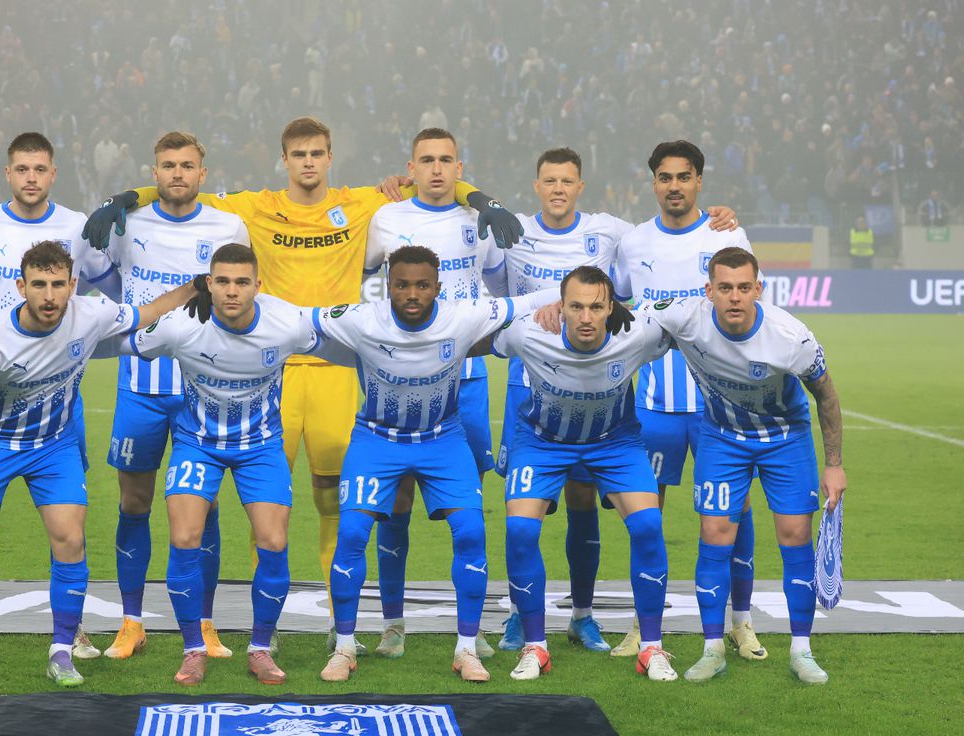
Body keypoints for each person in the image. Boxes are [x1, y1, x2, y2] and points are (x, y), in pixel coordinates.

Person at [84, 116, 523, 647]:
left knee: (336, 497)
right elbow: (182, 184)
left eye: (317, 153)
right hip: (272, 367)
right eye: (299, 154)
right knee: (262, 500)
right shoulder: (253, 206)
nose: (308, 162)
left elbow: (442, 180)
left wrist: (488, 201)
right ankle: (258, 621)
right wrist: (130, 195)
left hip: (335, 368)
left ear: (329, 157)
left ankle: (343, 626)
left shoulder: (365, 203)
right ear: (285, 159)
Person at [0, 241, 193, 687]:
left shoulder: (90, 312)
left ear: (72, 285)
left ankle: (62, 651)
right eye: (39, 285)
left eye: (57, 285)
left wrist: (193, 289)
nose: (49, 297)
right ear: (21, 286)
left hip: (54, 446)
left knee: (70, 539)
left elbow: (144, 314)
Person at [312, 245, 561, 684]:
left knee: (471, 531)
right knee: (351, 531)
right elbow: (297, 321)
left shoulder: (461, 316)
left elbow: (524, 302)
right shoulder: (361, 319)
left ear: (437, 288)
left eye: (422, 286)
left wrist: (568, 297)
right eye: (403, 285)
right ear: (387, 285)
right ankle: (346, 646)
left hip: (442, 439)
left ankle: (466, 649)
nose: (412, 294)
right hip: (376, 439)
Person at [113, 244, 341, 686]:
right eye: (222, 281)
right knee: (184, 536)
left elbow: (345, 346)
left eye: (241, 282)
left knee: (273, 541)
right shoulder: (181, 326)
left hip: (261, 446)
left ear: (258, 285)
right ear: (209, 284)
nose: (231, 291)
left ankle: (260, 648)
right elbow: (125, 343)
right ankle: (193, 649)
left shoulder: (285, 322)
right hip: (198, 444)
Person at [0, 132, 119, 664]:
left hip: (59, 396)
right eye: (22, 169)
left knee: (69, 521)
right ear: (8, 173)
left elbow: (114, 293)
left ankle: (72, 628)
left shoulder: (78, 228)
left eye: (40, 168)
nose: (31, 177)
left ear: (53, 173)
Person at [645, 247, 846, 684]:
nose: (734, 297)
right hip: (721, 438)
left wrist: (834, 464)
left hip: (785, 440)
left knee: (795, 536)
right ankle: (712, 648)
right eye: (724, 288)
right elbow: (624, 318)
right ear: (708, 291)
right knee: (715, 534)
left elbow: (826, 395)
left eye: (743, 288)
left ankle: (802, 652)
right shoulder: (685, 317)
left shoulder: (790, 337)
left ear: (759, 289)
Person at [100, 132, 250, 662]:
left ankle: (205, 625)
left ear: (202, 174)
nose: (178, 173)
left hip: (200, 390)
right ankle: (131, 622)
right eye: (168, 165)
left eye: (188, 165)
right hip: (140, 387)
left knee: (202, 508)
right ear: (154, 172)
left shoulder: (227, 225)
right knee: (133, 501)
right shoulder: (131, 224)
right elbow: (111, 289)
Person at [487, 266, 676, 681]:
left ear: (611, 307)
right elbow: (479, 337)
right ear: (561, 306)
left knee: (648, 526)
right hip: (542, 441)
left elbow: (687, 326)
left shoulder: (638, 334)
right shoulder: (529, 334)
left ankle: (652, 647)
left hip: (615, 442)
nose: (586, 317)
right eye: (576, 307)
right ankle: (536, 647)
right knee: (520, 532)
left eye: (596, 307)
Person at [610, 140, 761, 660]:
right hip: (653, 406)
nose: (674, 185)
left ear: (699, 182)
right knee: (645, 519)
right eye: (665, 177)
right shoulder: (633, 243)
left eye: (685, 176)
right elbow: (619, 302)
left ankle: (740, 622)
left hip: (719, 407)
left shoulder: (727, 234)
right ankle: (640, 624)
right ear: (653, 182)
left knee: (732, 515)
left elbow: (748, 309)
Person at [360, 127, 505, 659]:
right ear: (410, 167)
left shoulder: (478, 220)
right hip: (400, 381)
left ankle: (475, 626)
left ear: (459, 167)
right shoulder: (387, 218)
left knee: (466, 509)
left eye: (446, 160)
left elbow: (498, 285)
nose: (438, 169)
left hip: (465, 383)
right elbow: (360, 274)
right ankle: (393, 624)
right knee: (394, 505)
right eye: (427, 160)